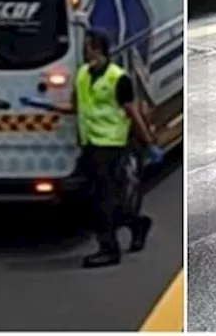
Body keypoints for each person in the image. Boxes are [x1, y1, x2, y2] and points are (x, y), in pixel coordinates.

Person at [61, 30, 160, 269]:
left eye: (88, 47)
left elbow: (132, 113)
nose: (85, 52)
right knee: (95, 197)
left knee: (102, 199)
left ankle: (109, 249)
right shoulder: (83, 74)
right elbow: (77, 106)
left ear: (99, 49)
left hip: (113, 146)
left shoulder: (118, 78)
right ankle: (136, 223)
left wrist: (148, 142)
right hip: (90, 145)